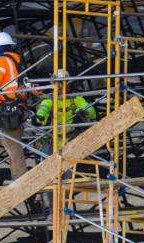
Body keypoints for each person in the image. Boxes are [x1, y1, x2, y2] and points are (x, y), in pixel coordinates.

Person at [35, 69, 97, 211]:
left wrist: (84, 110)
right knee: (50, 177)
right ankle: (53, 208)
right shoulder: (49, 100)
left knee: (67, 179)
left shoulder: (76, 99)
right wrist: (39, 118)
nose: (61, 87)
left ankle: (63, 207)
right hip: (51, 142)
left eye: (63, 84)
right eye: (59, 84)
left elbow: (92, 112)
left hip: (69, 142)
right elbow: (42, 113)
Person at [0, 31, 31, 181]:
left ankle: (21, 176)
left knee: (11, 144)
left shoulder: (1, 61)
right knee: (12, 142)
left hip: (9, 107)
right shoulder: (16, 61)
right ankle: (15, 175)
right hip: (19, 107)